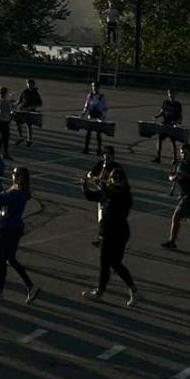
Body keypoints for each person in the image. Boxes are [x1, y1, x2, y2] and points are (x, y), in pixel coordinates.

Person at [82, 155, 137, 304]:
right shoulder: (108, 192)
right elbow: (91, 196)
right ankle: (131, 288)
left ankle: (101, 292)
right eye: (115, 177)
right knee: (111, 263)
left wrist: (100, 183)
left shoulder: (124, 194)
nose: (117, 179)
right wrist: (85, 185)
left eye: (120, 177)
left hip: (117, 233)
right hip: (107, 232)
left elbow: (112, 194)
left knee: (110, 263)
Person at [0, 165, 39, 302]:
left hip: (10, 228)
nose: (14, 175)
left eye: (17, 174)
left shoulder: (18, 192)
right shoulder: (15, 190)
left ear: (23, 178)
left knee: (3, 260)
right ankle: (30, 286)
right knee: (10, 259)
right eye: (13, 173)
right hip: (10, 227)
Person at [153, 91, 184, 162]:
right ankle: (158, 157)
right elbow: (162, 112)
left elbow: (180, 115)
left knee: (173, 142)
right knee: (159, 139)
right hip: (165, 123)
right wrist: (157, 116)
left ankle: (174, 159)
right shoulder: (165, 102)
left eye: (172, 95)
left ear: (175, 95)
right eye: (170, 95)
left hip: (172, 124)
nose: (171, 97)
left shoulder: (177, 105)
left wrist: (179, 121)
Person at [78, 83, 107, 155]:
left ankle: (99, 149)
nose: (94, 88)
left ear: (99, 87)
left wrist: (103, 116)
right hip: (91, 116)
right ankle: (86, 148)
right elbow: (86, 106)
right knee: (88, 133)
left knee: (98, 134)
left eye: (96, 86)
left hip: (98, 117)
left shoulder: (101, 97)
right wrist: (83, 113)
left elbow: (104, 108)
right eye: (93, 86)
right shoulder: (90, 96)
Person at [16, 79, 41, 145]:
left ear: (33, 85)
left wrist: (32, 107)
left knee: (28, 125)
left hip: (30, 111)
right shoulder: (24, 91)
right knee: (18, 122)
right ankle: (20, 137)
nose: (29, 85)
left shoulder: (35, 93)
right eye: (28, 84)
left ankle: (29, 140)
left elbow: (40, 103)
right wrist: (15, 104)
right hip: (23, 109)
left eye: (30, 84)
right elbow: (20, 100)